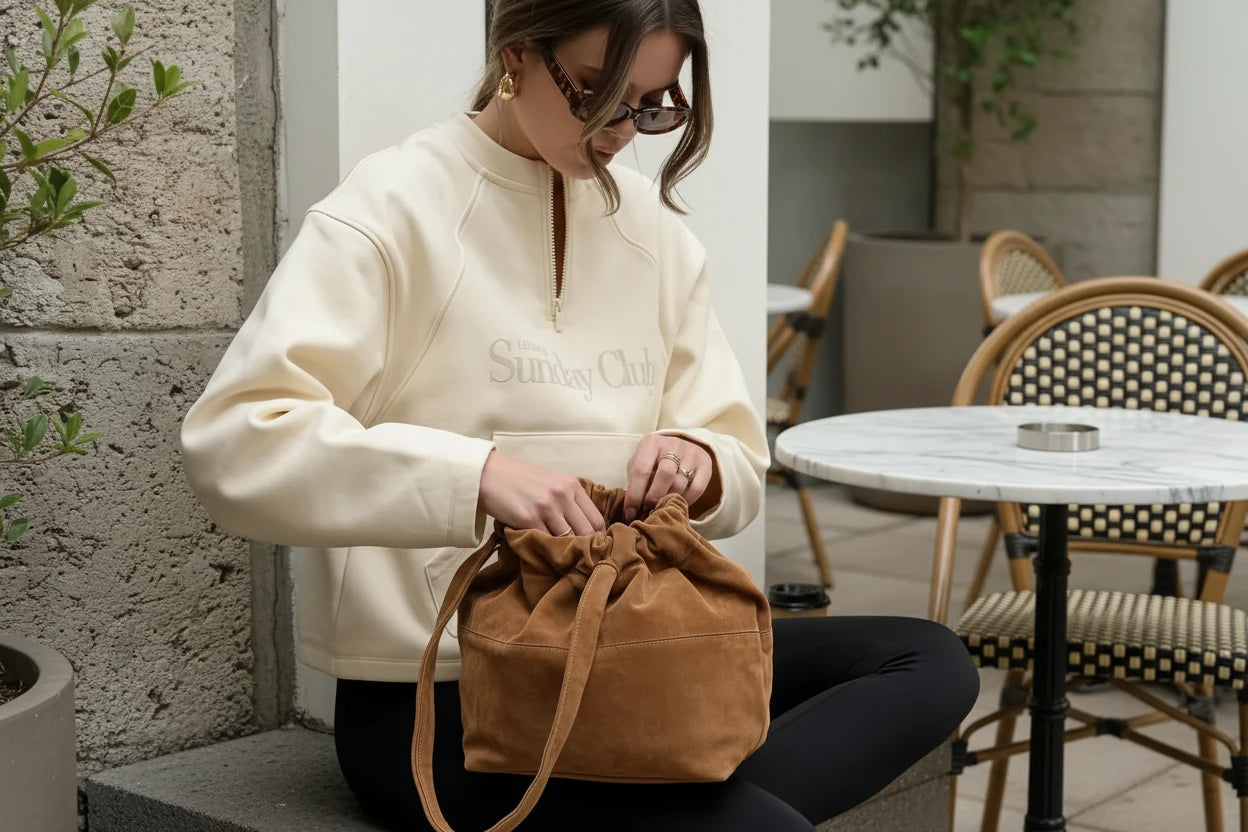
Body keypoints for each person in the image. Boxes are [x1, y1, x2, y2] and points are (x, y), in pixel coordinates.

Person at [180, 1, 979, 829]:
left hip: (632, 652)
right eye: (598, 92)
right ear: (516, 53)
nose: (621, 131)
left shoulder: (655, 235)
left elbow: (740, 457)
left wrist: (697, 461)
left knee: (927, 660)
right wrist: (477, 477)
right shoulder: (391, 207)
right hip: (449, 699)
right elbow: (236, 442)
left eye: (652, 103)